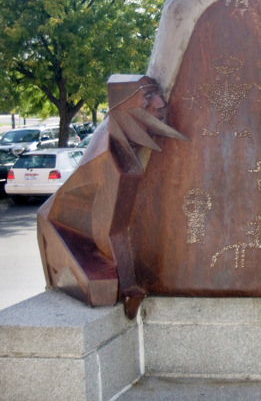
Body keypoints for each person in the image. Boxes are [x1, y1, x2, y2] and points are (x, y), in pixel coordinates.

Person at [37, 75, 187, 317]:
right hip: (62, 231)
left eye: (157, 94)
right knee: (104, 286)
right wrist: (129, 285)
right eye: (148, 96)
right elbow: (108, 229)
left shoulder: (117, 131)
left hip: (81, 227)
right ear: (123, 105)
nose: (160, 103)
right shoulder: (110, 159)